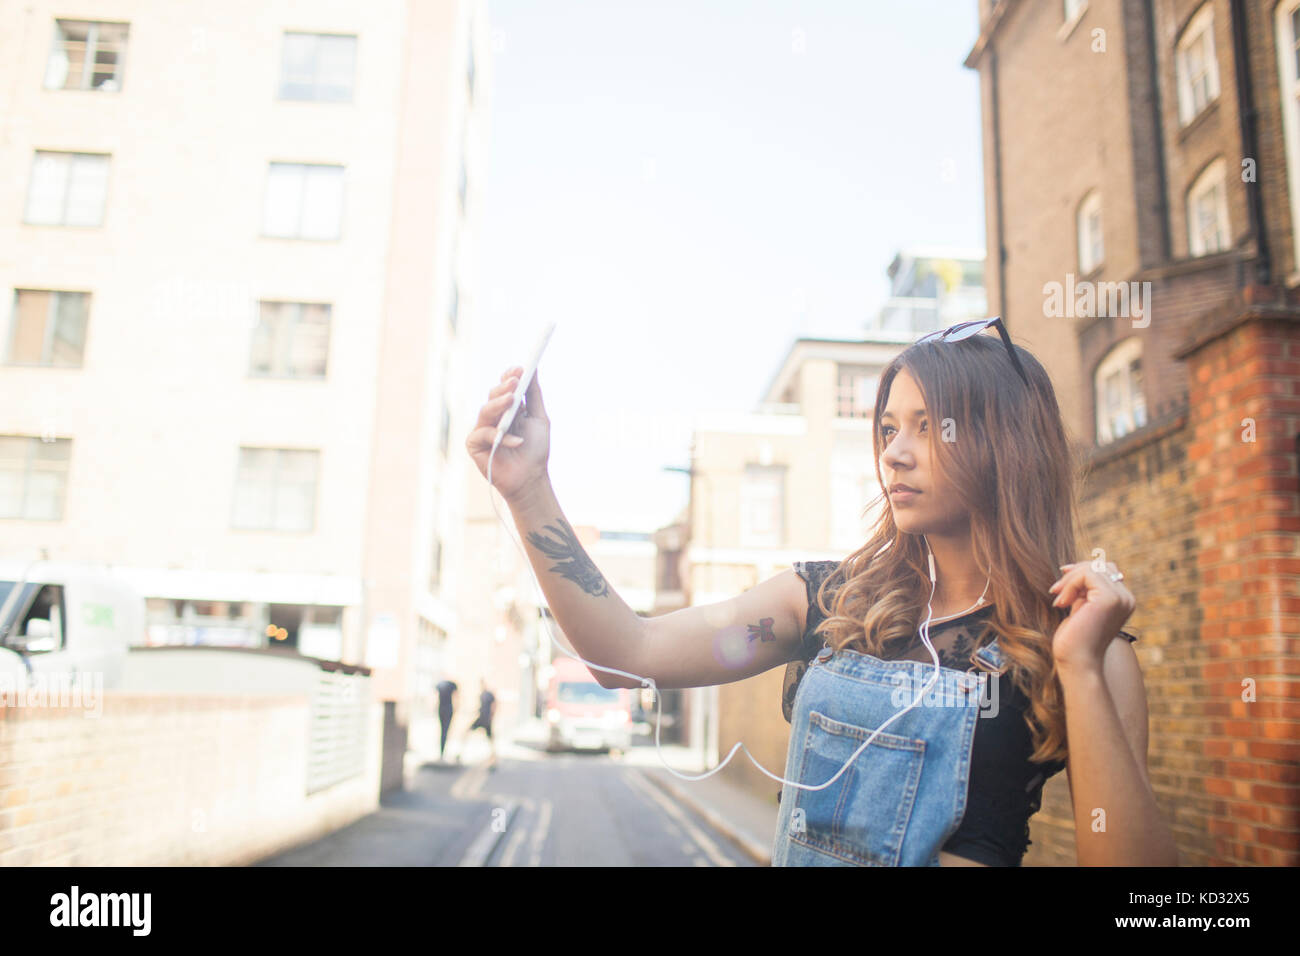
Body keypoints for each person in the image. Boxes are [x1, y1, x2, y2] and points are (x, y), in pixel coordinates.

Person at [465, 325, 1179, 867]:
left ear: (1006, 443)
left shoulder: (1079, 645)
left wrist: (1081, 665)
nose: (893, 452)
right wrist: (530, 491)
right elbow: (629, 652)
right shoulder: (826, 602)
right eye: (889, 428)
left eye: (928, 429)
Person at [467, 679, 497, 766]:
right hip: (481, 718)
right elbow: (480, 707)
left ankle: (493, 760)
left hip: (487, 719)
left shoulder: (489, 694)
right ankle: (459, 753)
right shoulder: (481, 695)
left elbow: (494, 706)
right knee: (467, 732)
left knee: (491, 740)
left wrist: (492, 717)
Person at [434, 678, 458, 762]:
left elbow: (434, 697)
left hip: (441, 709)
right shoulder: (452, 684)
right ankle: (442, 752)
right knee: (445, 731)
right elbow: (457, 697)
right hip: (448, 709)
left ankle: (442, 752)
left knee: (443, 731)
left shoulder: (439, 684)